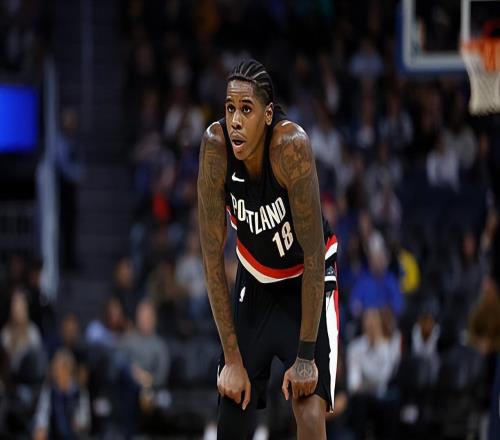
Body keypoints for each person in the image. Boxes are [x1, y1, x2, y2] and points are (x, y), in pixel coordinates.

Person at [197, 59, 339, 439]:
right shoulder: (215, 147)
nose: (235, 120)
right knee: (231, 410)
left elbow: (314, 255)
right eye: (230, 108)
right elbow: (211, 257)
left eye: (246, 110)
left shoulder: (291, 147)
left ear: (268, 114)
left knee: (309, 411)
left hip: (305, 283)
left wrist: (305, 356)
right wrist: (231, 359)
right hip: (255, 283)